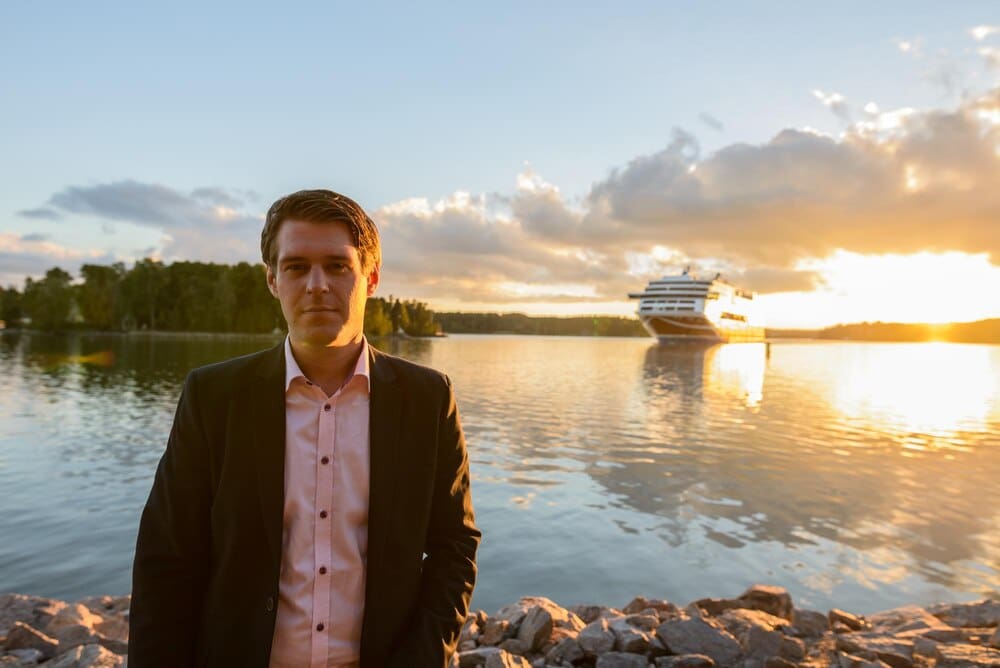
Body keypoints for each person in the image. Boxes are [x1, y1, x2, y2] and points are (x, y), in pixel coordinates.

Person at [128, 189, 480, 667]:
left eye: (337, 266)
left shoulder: (428, 399)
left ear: (370, 277)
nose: (317, 284)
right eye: (296, 266)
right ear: (272, 280)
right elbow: (166, 556)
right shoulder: (214, 397)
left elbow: (454, 548)